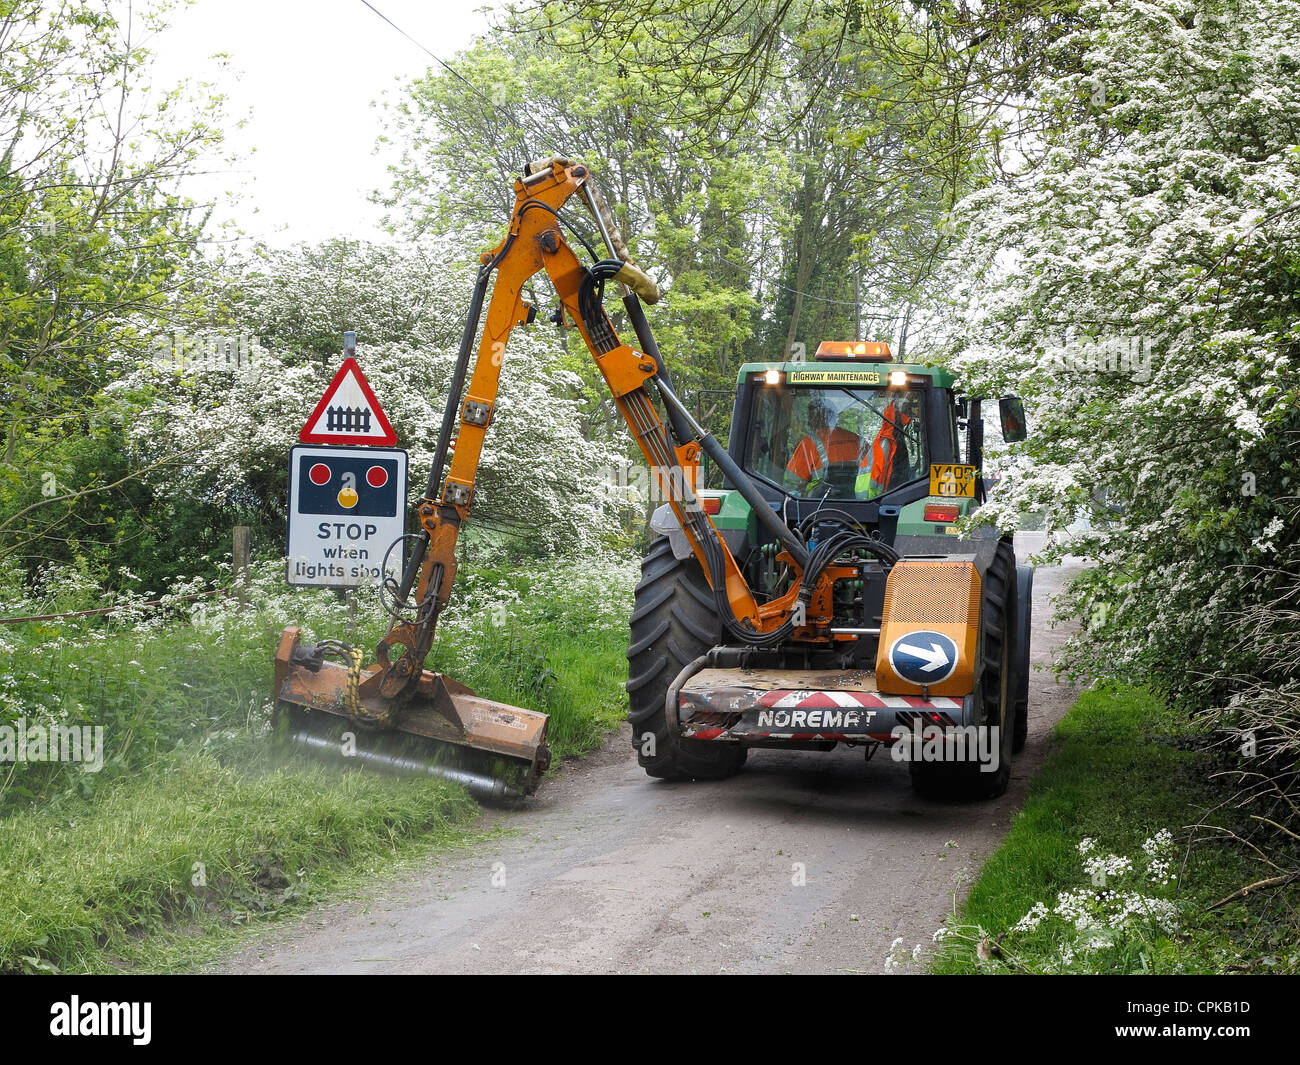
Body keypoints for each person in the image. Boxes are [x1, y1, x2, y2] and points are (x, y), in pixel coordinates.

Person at [783, 395, 863, 496]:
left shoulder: (809, 442)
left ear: (816, 419)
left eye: (810, 418)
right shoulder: (858, 441)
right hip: (861, 502)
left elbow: (793, 483)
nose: (808, 423)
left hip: (817, 505)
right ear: (834, 418)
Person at [855, 392, 918, 497]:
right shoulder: (886, 442)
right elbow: (876, 476)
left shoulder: (891, 440)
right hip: (879, 496)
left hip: (877, 496)